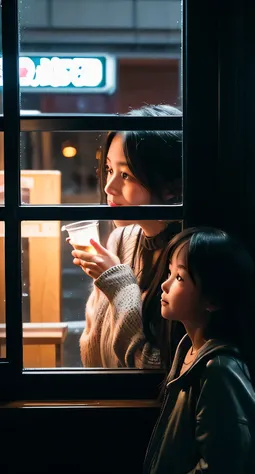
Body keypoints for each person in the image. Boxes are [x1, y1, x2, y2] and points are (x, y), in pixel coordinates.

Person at [143, 227, 255, 474]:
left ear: (213, 300)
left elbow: (220, 465)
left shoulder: (219, 370)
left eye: (179, 278)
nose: (164, 285)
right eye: (169, 272)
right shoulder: (188, 349)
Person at [72, 104, 183, 369]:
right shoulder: (121, 240)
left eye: (126, 175)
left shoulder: (187, 255)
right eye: (109, 170)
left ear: (169, 186)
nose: (110, 187)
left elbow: (156, 368)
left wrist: (119, 283)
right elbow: (94, 351)